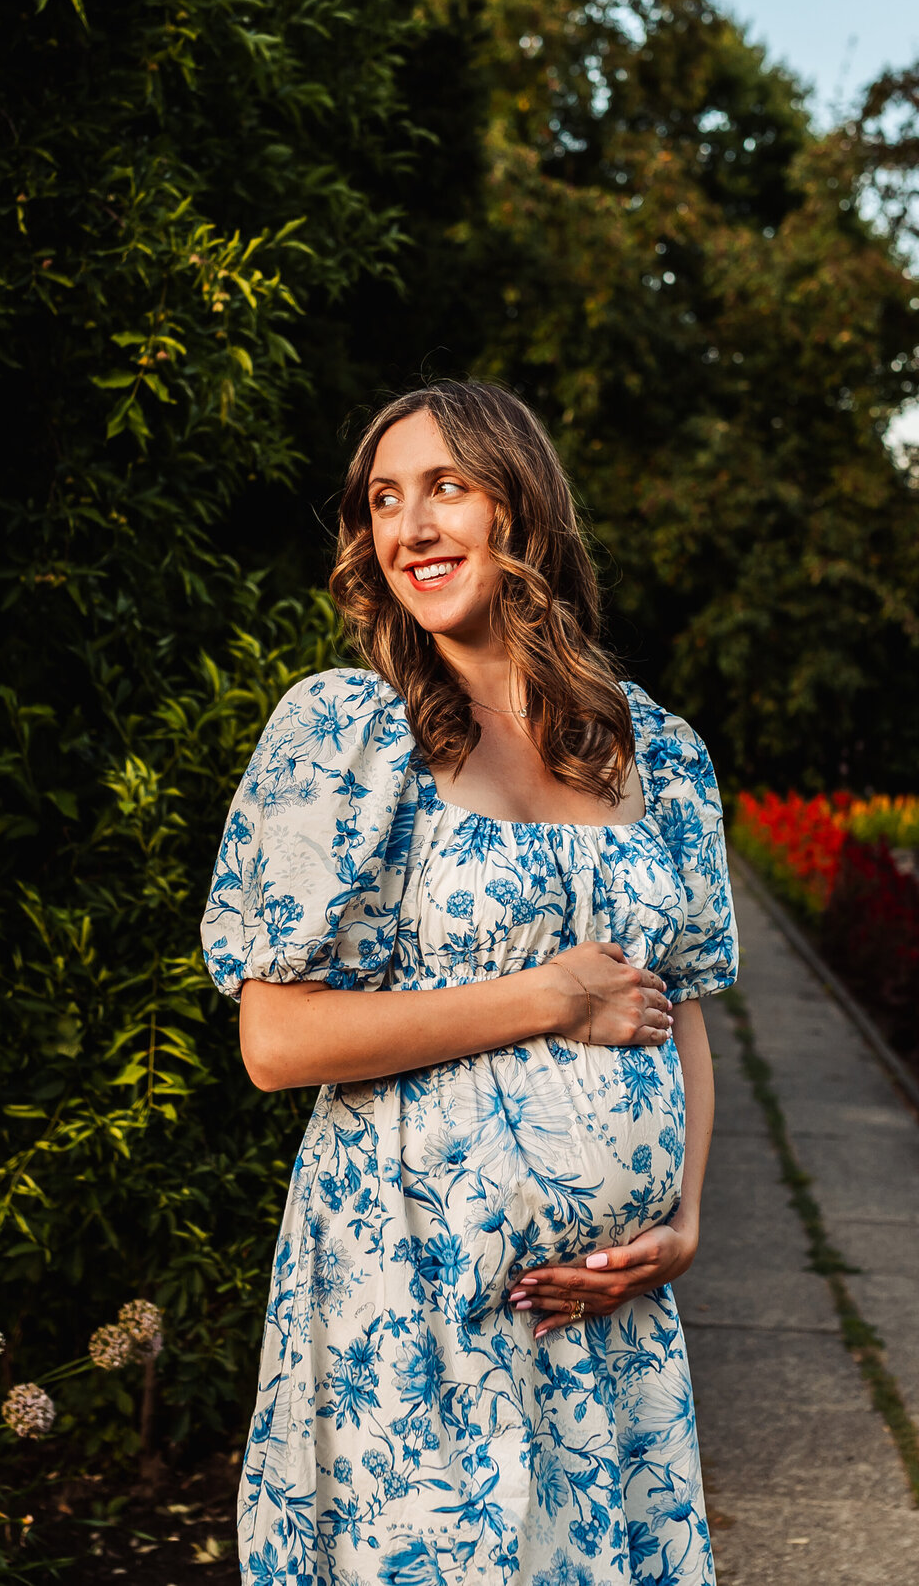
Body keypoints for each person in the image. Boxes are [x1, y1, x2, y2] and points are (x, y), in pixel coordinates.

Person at [201, 378, 736, 1586]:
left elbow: (683, 1010)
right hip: (414, 1293)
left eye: (448, 486)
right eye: (385, 500)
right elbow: (275, 1040)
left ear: (523, 508)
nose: (411, 528)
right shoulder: (351, 733)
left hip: (607, 1321)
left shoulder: (657, 751)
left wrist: (685, 1223)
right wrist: (546, 998)